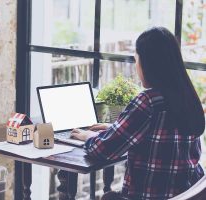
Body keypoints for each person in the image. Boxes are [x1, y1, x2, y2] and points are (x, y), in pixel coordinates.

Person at [71, 27, 205, 200]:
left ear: (149, 64)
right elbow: (163, 136)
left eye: (136, 60)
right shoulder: (187, 97)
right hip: (185, 195)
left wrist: (88, 136)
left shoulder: (148, 101)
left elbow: (103, 150)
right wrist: (113, 128)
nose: (136, 67)